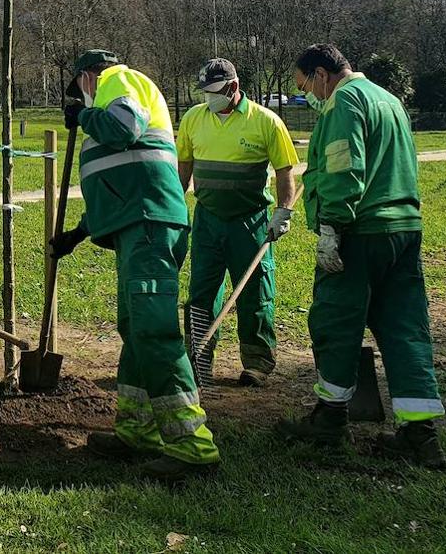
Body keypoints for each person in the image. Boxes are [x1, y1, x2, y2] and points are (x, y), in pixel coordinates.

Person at [49, 49, 218, 481]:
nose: (82, 99)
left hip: (149, 228)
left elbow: (125, 130)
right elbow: (122, 180)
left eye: (79, 90)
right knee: (135, 329)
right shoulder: (110, 95)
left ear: (88, 76)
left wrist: (83, 117)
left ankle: (192, 446)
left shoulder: (117, 82)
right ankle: (136, 431)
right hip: (137, 226)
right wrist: (78, 233)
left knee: (153, 331)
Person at [276, 44, 445, 468]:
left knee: (336, 320)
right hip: (404, 230)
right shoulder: (389, 100)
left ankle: (331, 419)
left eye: (305, 86)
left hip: (360, 232)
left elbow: (342, 167)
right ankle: (420, 434)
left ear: (321, 74)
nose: (309, 96)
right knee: (405, 327)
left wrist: (331, 226)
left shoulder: (343, 103)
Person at [177, 58, 299, 387]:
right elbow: (183, 170)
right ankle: (198, 358)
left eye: (214, 93)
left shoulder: (266, 122)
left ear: (233, 88)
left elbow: (286, 171)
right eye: (204, 93)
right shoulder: (193, 119)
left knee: (255, 291)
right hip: (208, 219)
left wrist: (283, 212)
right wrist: (174, 209)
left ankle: (257, 363)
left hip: (251, 221)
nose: (208, 100)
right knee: (202, 291)